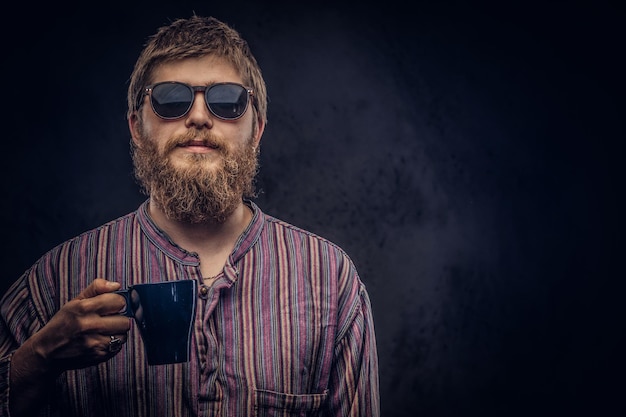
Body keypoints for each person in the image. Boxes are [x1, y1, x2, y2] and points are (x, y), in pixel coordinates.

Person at [0, 15, 379, 417]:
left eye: (228, 100)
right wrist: (39, 358)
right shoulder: (57, 279)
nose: (198, 116)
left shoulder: (330, 279)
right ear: (137, 127)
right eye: (170, 98)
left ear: (257, 131)